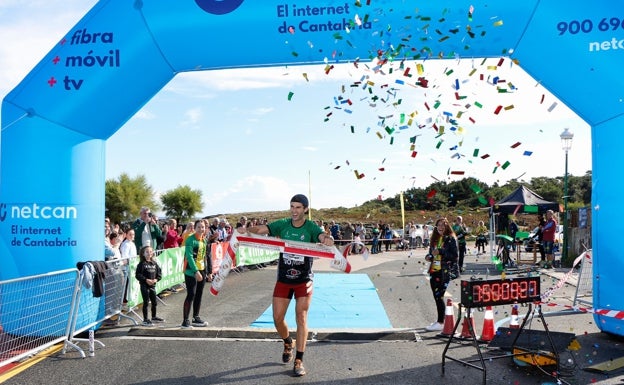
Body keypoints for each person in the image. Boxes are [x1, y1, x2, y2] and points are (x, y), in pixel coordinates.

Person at [240, 194, 334, 377]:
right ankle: (287, 342)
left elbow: (321, 236)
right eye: (292, 206)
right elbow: (261, 229)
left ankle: (299, 360)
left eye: (298, 207)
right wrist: (246, 230)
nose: (294, 211)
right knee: (277, 318)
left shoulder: (310, 227)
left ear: (305, 209)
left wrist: (326, 239)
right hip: (284, 278)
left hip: (304, 279)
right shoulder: (282, 224)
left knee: (301, 317)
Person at [424, 218, 459, 332]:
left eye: (443, 225)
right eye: (438, 225)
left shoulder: (451, 239)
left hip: (444, 271)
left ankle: (440, 322)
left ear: (447, 226)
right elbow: (431, 253)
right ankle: (440, 320)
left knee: (439, 296)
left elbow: (454, 256)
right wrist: (429, 257)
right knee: (436, 296)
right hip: (434, 270)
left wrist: (441, 252)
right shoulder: (434, 239)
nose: (440, 227)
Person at [181, 219, 211, 328]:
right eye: (198, 227)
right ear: (195, 228)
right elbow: (189, 257)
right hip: (190, 271)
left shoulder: (204, 240)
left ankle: (196, 317)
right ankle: (185, 320)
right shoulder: (190, 240)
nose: (201, 229)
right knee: (191, 294)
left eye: (202, 227)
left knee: (199, 294)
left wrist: (208, 272)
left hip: (202, 269)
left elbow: (206, 256)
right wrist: (196, 271)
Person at [135, 245, 164, 326]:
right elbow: (138, 275)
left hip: (152, 286)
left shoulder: (154, 263)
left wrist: (156, 280)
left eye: (150, 251)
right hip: (144, 286)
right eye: (147, 252)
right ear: (143, 254)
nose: (149, 253)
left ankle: (154, 317)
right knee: (146, 302)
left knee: (154, 302)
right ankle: (145, 319)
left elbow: (159, 274)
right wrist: (146, 280)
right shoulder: (141, 264)